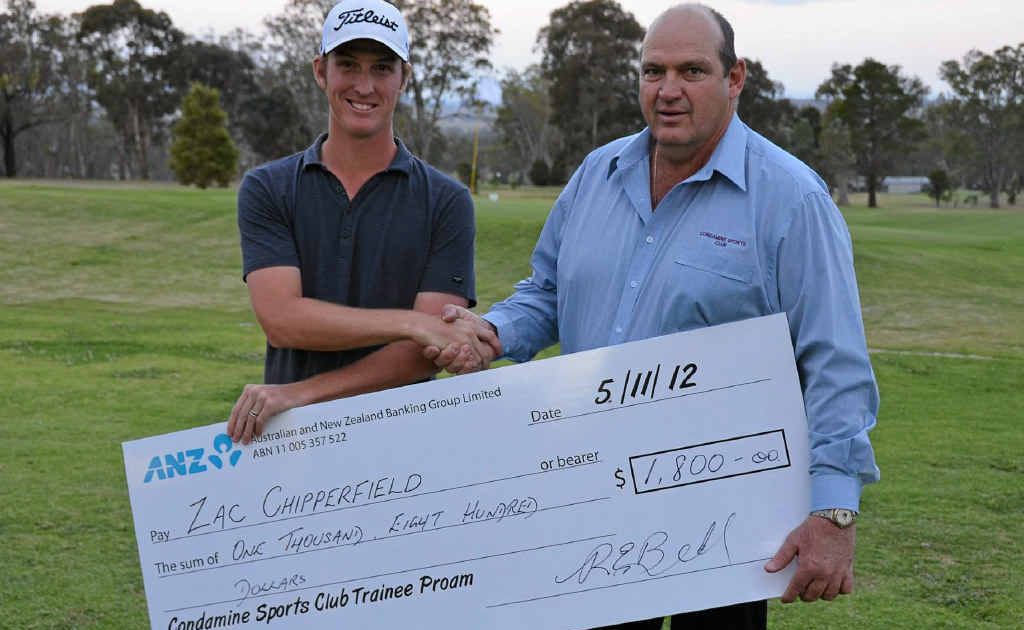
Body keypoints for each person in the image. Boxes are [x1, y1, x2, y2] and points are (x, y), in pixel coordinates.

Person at [425, 4, 879, 629]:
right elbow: (550, 291)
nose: (668, 91)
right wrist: (494, 333)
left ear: (735, 78)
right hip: (590, 499)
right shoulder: (596, 175)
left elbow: (835, 361)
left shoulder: (792, 199)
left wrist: (833, 513)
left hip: (722, 517)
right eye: (652, 71)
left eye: (692, 71)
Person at [227, 0, 496, 445]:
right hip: (292, 450)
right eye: (348, 65)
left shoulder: (447, 201)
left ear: (404, 78)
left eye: (382, 68)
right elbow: (283, 320)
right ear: (320, 71)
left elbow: (424, 354)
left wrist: (299, 395)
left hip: (405, 449)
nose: (364, 85)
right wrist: (411, 322)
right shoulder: (268, 188)